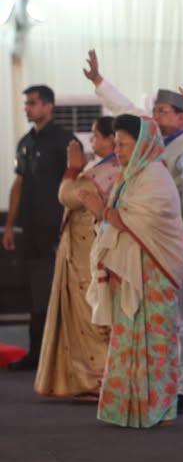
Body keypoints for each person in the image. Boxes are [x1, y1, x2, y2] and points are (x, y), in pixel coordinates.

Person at [83, 50, 183, 413]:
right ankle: (169, 386)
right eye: (154, 110)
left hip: (181, 244)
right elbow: (127, 111)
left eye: (163, 111)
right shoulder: (155, 145)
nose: (155, 116)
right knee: (171, 321)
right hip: (156, 240)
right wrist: (99, 83)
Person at [79, 114, 183, 428]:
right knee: (128, 337)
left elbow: (146, 220)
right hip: (131, 270)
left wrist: (102, 211)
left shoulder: (155, 176)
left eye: (123, 144)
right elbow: (120, 217)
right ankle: (127, 408)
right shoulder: (130, 175)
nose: (118, 150)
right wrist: (105, 213)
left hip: (155, 270)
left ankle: (160, 409)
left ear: (142, 144)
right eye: (116, 144)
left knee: (156, 340)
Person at [34, 117, 119, 399]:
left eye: (95, 136)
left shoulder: (110, 170)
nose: (91, 141)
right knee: (84, 310)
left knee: (92, 311)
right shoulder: (101, 166)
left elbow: (68, 195)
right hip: (80, 247)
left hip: (91, 249)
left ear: (110, 139)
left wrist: (72, 167)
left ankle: (98, 378)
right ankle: (85, 379)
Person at [2, 85, 77, 370]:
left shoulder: (64, 140)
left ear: (48, 106)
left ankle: (65, 357)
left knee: (59, 291)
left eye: (32, 103)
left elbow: (75, 183)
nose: (27, 108)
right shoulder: (25, 142)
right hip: (31, 229)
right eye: (26, 103)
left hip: (56, 228)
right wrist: (10, 226)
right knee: (35, 291)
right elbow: (19, 184)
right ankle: (37, 354)